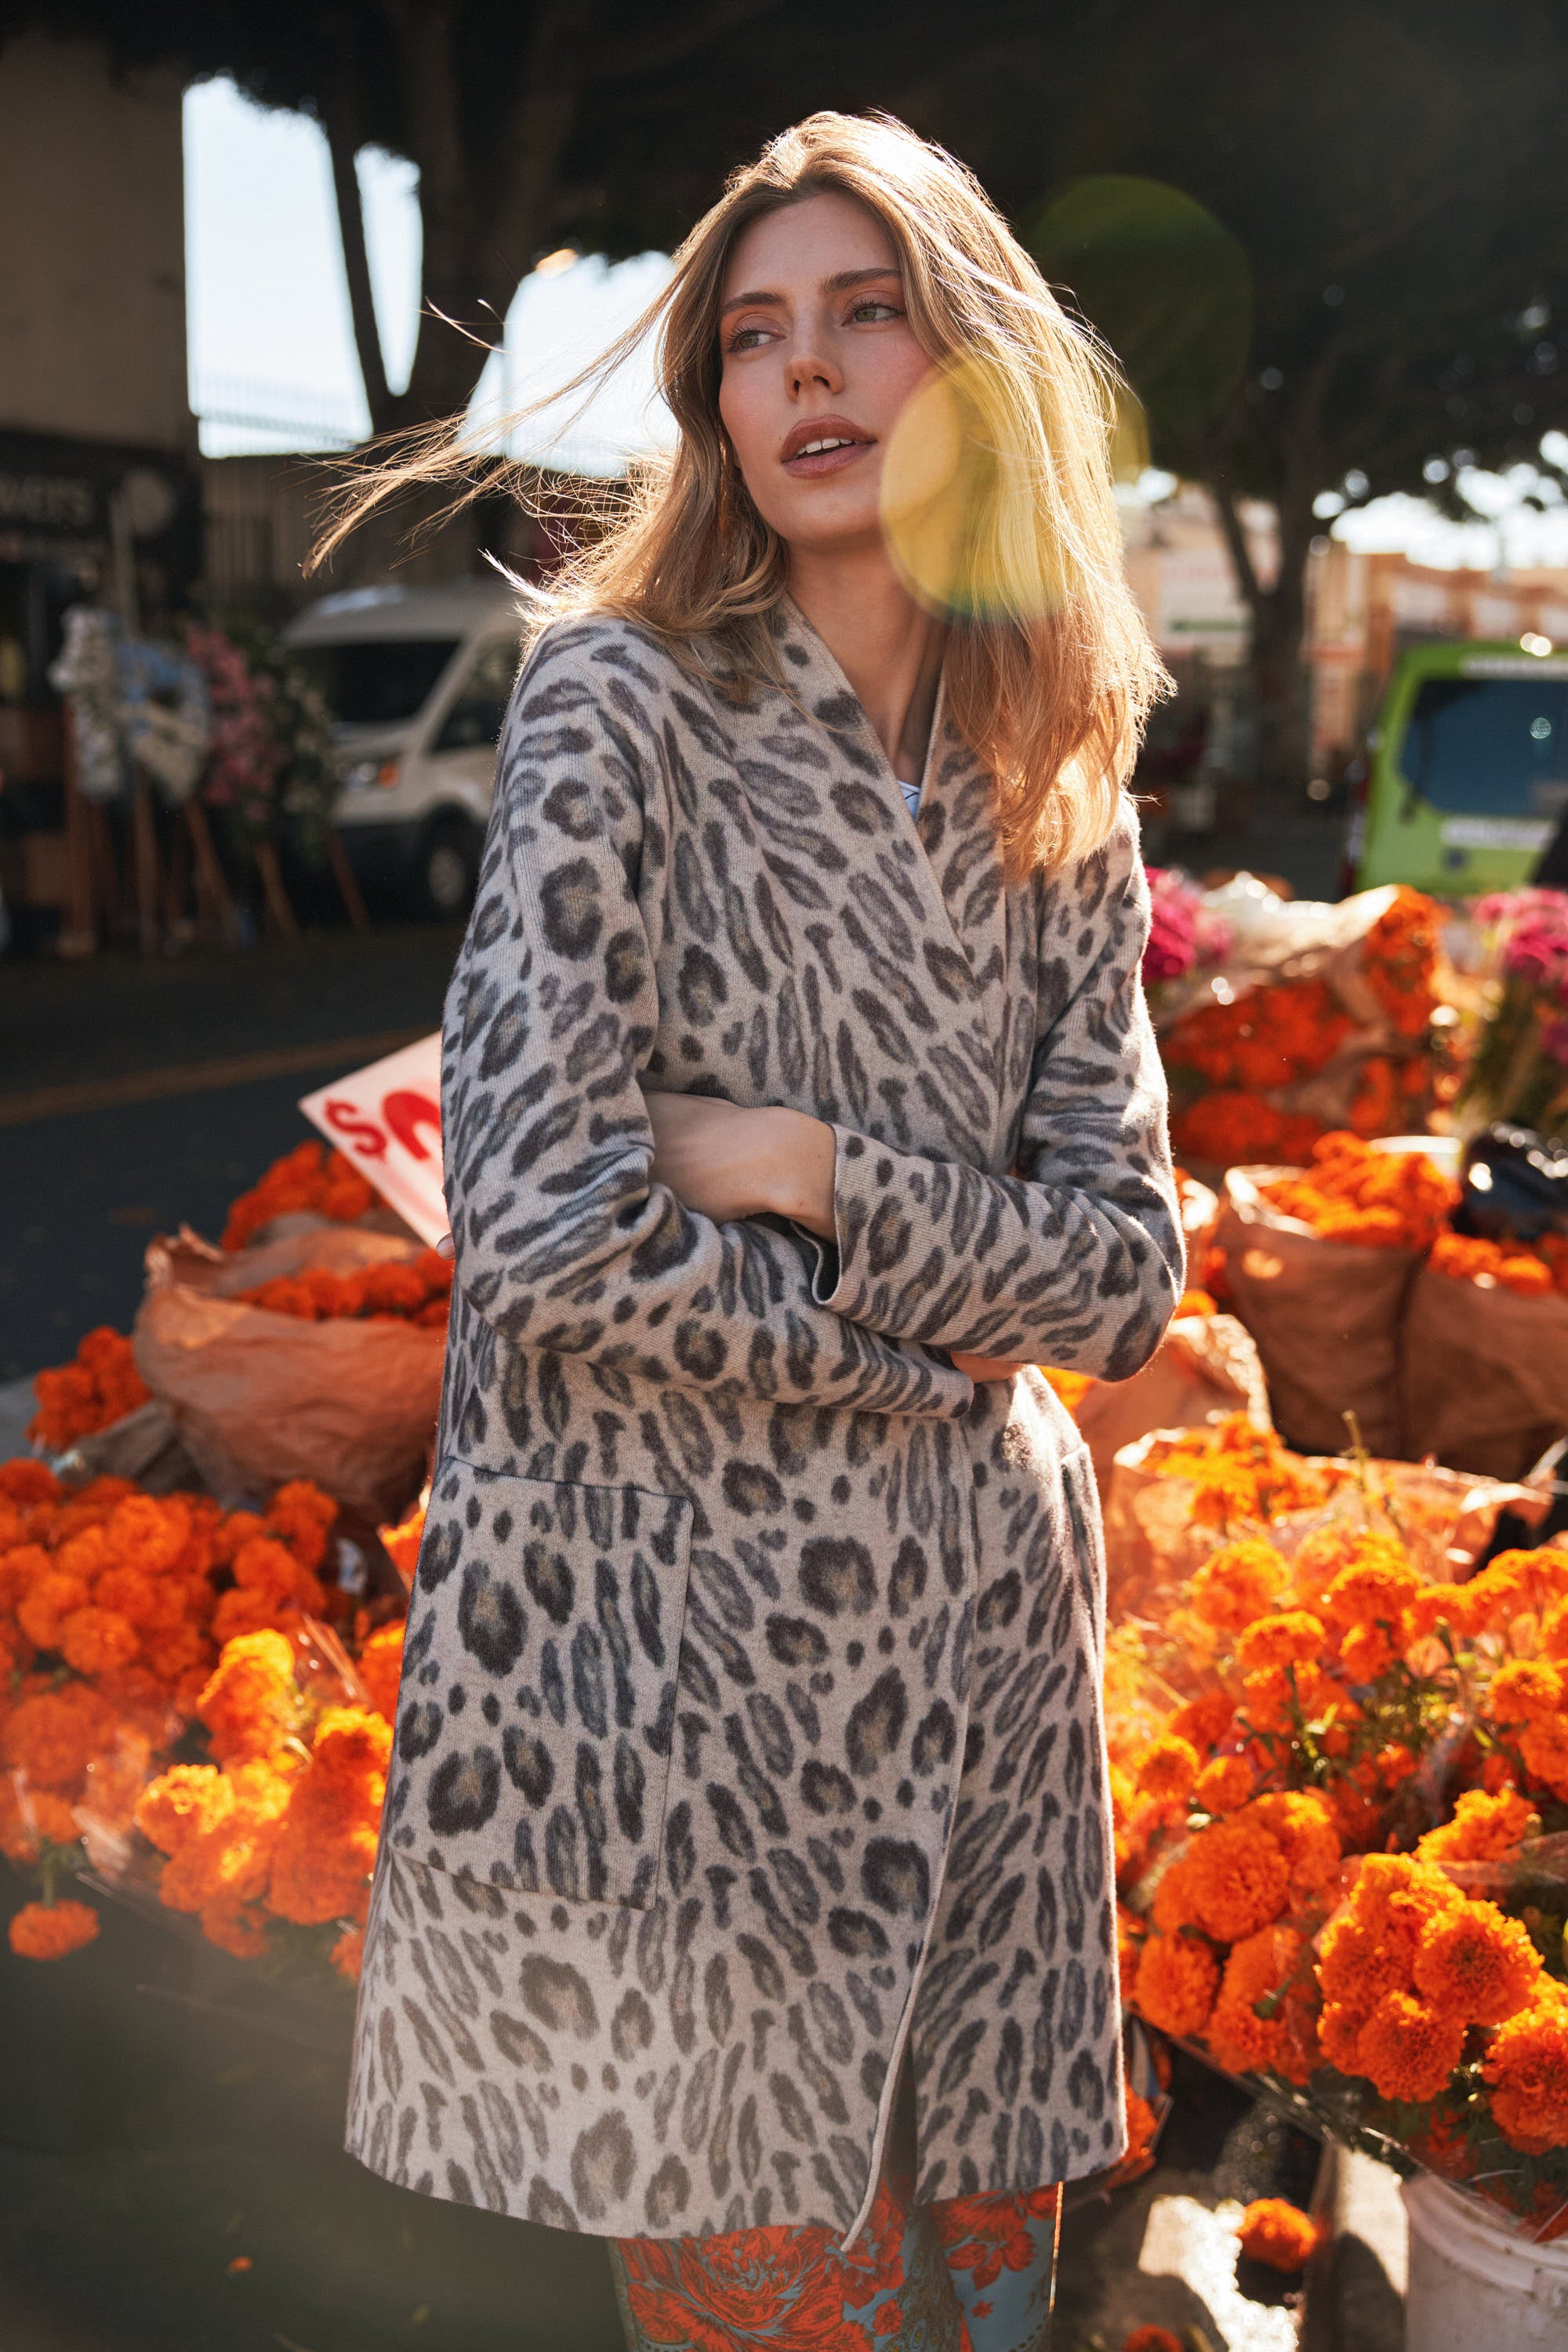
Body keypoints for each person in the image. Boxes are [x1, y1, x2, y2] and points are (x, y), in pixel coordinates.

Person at [333, 111, 1184, 2349]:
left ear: (971, 361)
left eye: (868, 314)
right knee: (773, 2295)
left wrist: (813, 1171)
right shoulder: (620, 710)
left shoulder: (1056, 766)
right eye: (751, 336)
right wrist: (936, 1362)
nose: (805, 377)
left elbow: (1121, 1273)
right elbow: (547, 1226)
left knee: (1000, 2281)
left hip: (990, 1662)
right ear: (711, 399)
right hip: (689, 1681)